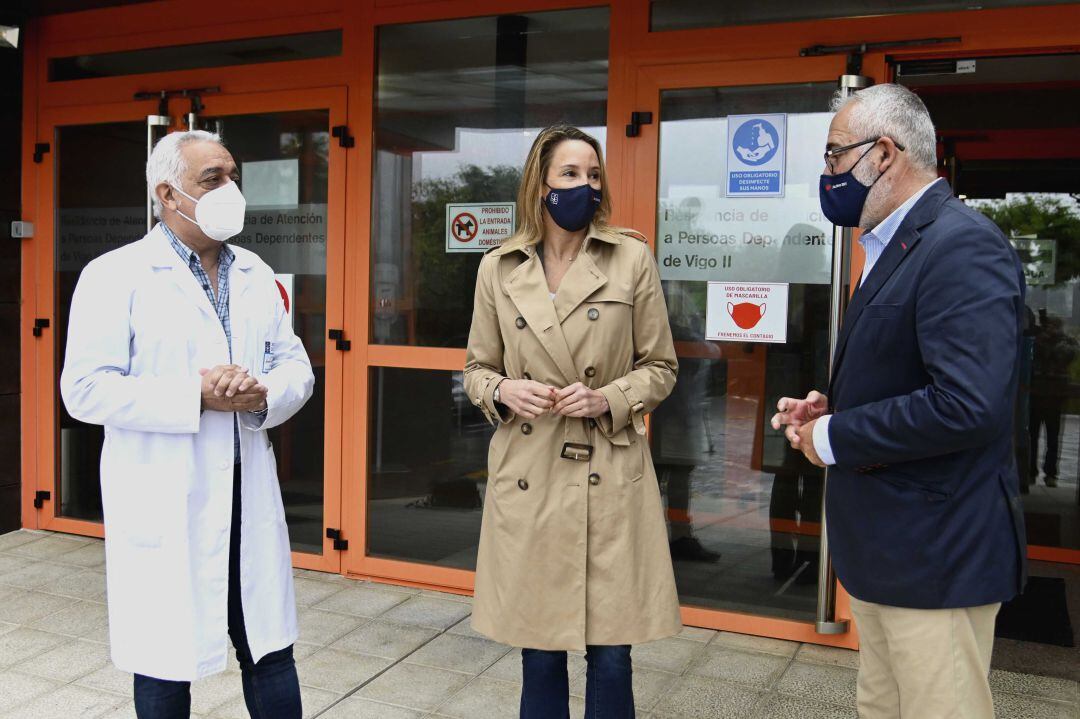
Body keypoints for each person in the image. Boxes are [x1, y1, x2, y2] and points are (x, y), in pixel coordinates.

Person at [771, 84, 1027, 719]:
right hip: (891, 554)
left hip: (936, 557)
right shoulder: (897, 246)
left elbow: (967, 404)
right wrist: (829, 411)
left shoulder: (960, 243)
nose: (827, 175)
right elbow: (909, 377)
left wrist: (832, 438)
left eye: (834, 157)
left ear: (883, 154)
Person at [60, 130, 315, 719]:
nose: (231, 188)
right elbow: (84, 389)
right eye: (212, 179)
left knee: (271, 653)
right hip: (164, 502)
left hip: (245, 498)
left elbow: (293, 365)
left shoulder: (255, 272)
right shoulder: (115, 274)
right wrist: (194, 396)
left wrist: (259, 395)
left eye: (232, 175)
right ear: (168, 194)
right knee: (164, 667)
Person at [464, 124, 682, 718]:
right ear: (540, 184)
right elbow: (476, 369)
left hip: (608, 470)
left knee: (612, 652)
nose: (583, 186)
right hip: (531, 473)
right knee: (539, 652)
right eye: (569, 174)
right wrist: (505, 389)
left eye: (592, 175)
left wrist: (608, 398)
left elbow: (660, 367)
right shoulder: (498, 268)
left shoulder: (630, 257)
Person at [1028, 311, 1078, 487]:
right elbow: (1029, 357)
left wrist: (1052, 339)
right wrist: (1041, 338)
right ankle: (1030, 472)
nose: (1049, 328)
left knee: (1053, 438)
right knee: (1031, 438)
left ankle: (1050, 474)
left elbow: (1067, 355)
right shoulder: (1036, 341)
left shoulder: (1065, 342)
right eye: (1047, 325)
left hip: (1054, 398)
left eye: (1053, 326)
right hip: (1035, 396)